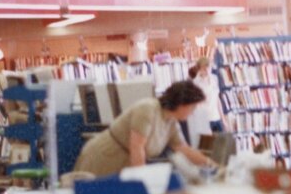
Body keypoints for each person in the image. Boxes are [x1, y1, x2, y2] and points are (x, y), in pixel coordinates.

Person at [73, 80, 217, 178]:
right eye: (192, 107)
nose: (193, 111)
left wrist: (213, 166)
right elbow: (137, 148)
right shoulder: (148, 109)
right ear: (182, 103)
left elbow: (185, 150)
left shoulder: (171, 122)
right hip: (104, 157)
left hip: (124, 163)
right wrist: (142, 180)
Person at [186, 57, 223, 148]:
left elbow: (217, 99)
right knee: (208, 146)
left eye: (209, 67)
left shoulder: (214, 79)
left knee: (221, 145)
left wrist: (223, 119)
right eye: (204, 68)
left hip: (216, 116)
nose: (207, 70)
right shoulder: (195, 83)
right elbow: (194, 103)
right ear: (199, 69)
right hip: (205, 118)